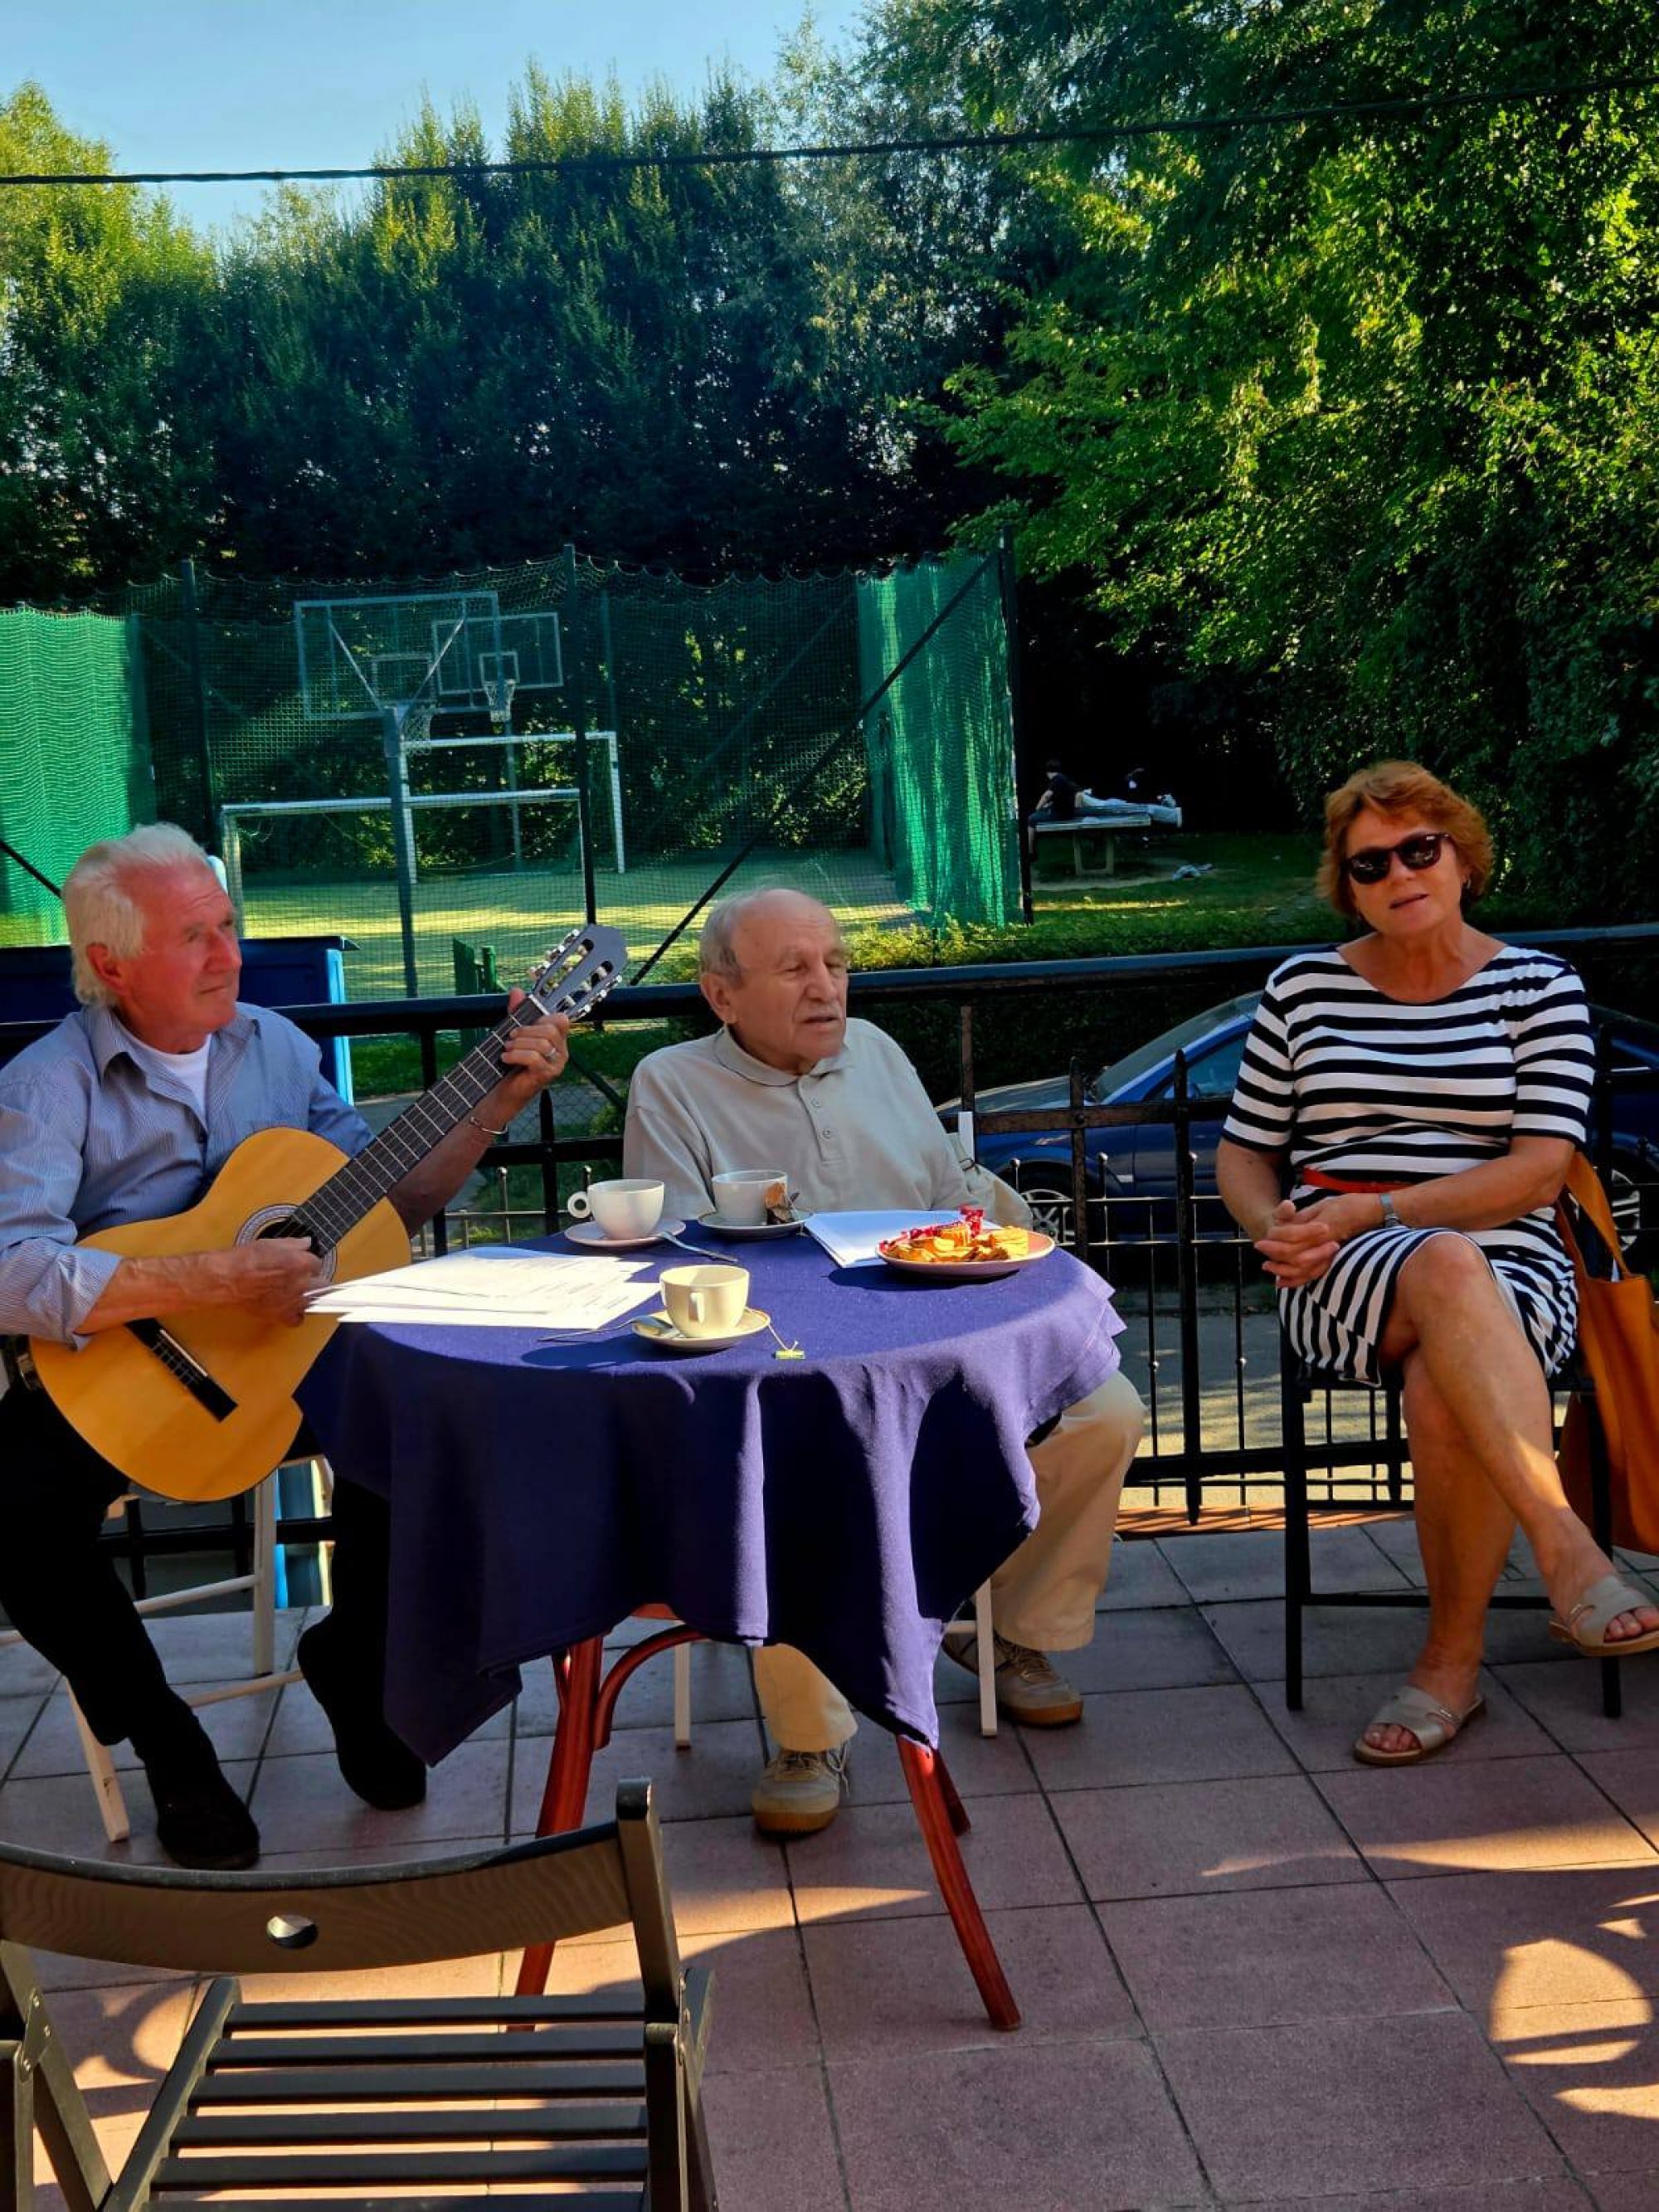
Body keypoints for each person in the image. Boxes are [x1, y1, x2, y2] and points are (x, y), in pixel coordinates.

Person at [0, 824, 573, 1867]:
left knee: (416, 1416)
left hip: (282, 1360)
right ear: (110, 966)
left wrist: (494, 1098)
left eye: (228, 926)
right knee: (14, 1517)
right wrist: (212, 1276)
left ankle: (357, 1660)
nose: (229, 955)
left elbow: (387, 1201)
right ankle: (169, 1741)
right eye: (193, 936)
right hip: (120, 1375)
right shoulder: (45, 1087)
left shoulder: (277, 1046)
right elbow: (11, 1272)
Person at [623, 888, 1145, 1836]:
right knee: (784, 1458)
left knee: (1104, 1410)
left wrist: (1020, 1235)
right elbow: (674, 1248)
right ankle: (809, 1734)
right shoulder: (672, 1081)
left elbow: (948, 1188)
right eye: (794, 968)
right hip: (786, 1357)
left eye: (834, 963)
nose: (826, 987)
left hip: (938, 1338)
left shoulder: (878, 1051)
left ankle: (1009, 1632)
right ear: (721, 994)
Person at [1217, 761, 1659, 1768]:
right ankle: (1563, 1549)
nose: (1398, 874)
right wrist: (1273, 1225)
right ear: (1348, 886)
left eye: (1418, 848)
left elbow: (1537, 1170)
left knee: (1444, 1343)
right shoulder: (1303, 989)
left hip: (1508, 1263)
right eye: (1368, 863)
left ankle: (1448, 1668)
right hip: (1335, 1269)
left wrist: (1381, 1207)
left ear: (1462, 857)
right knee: (1445, 1267)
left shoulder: (1536, 986)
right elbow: (1243, 1151)